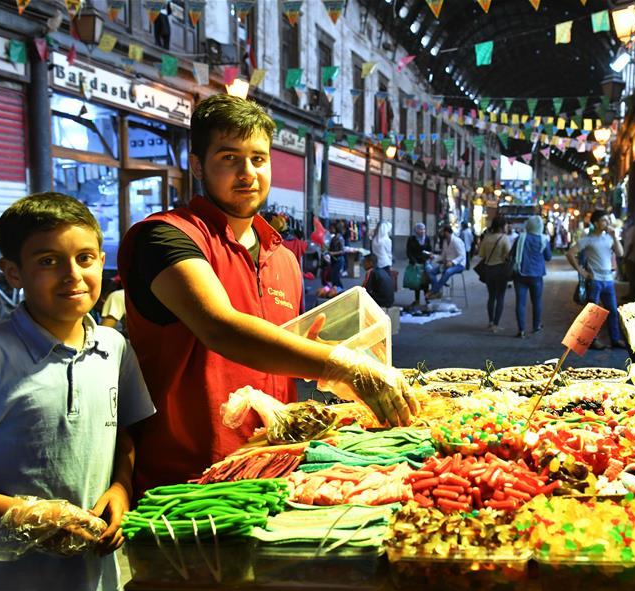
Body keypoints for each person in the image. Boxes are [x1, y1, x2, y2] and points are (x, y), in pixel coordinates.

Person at [118, 94, 417, 497]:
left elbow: (276, 349)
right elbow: (220, 328)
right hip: (187, 479)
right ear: (196, 164)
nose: (247, 173)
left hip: (276, 467)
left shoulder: (283, 258)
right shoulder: (165, 237)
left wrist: (313, 358)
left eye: (258, 159)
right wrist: (340, 364)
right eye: (229, 158)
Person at [0, 193, 154, 591]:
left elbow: (124, 434)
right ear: (13, 272)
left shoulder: (114, 347)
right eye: (48, 261)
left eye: (85, 258)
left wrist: (122, 487)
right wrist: (28, 516)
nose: (73, 275)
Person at [567, 209, 627, 349]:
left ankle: (615, 339)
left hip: (609, 280)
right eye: (604, 220)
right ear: (595, 223)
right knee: (593, 312)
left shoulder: (609, 238)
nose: (607, 223)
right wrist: (581, 271)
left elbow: (621, 253)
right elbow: (570, 253)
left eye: (607, 220)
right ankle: (592, 340)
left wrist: (614, 236)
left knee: (612, 310)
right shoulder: (587, 240)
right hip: (595, 280)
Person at [513, 216, 552, 338]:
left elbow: (512, 253)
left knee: (520, 303)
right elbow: (548, 257)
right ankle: (536, 326)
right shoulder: (543, 239)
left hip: (520, 273)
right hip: (537, 275)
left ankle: (521, 330)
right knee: (537, 302)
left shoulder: (520, 238)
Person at [475, 216, 511, 333]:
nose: (507, 227)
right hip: (501, 270)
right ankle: (496, 324)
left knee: (491, 297)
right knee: (500, 297)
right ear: (502, 226)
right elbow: (508, 255)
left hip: (489, 270)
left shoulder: (487, 238)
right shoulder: (504, 238)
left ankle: (490, 322)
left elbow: (481, 254)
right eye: (505, 225)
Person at [428, 226, 466, 298]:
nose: (442, 234)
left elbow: (462, 256)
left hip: (459, 265)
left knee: (447, 272)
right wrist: (434, 257)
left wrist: (453, 262)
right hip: (447, 263)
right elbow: (443, 256)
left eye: (443, 232)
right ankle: (437, 291)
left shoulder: (456, 241)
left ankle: (434, 290)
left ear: (447, 232)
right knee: (431, 272)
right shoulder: (445, 242)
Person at [406, 222, 434, 307]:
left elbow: (429, 249)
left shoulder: (427, 239)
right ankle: (417, 300)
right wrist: (414, 262)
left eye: (423, 229)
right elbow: (409, 252)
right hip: (415, 263)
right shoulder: (411, 239)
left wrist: (429, 257)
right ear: (416, 230)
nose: (422, 231)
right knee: (416, 283)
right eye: (420, 229)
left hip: (424, 262)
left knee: (425, 282)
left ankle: (427, 299)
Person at [328, 221, 347, 288]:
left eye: (331, 228)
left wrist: (333, 253)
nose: (330, 230)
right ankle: (336, 291)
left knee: (336, 277)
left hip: (338, 260)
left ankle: (341, 290)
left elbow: (342, 251)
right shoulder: (334, 237)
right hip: (333, 259)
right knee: (333, 278)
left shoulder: (340, 238)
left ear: (336, 229)